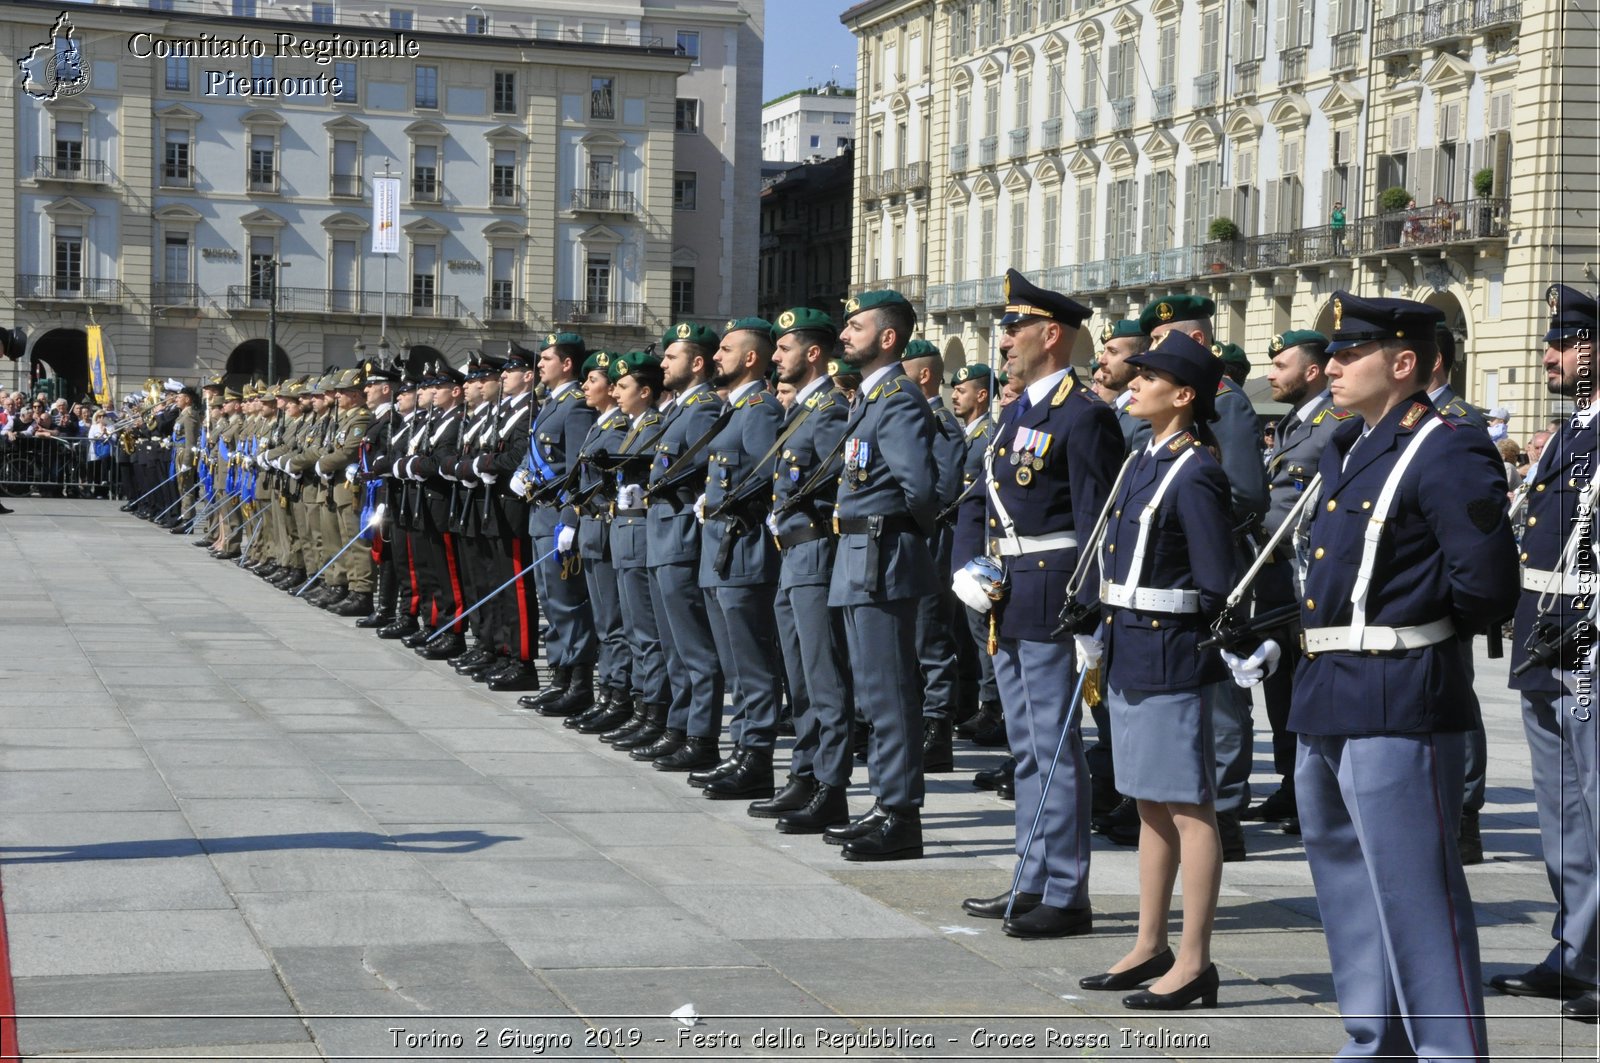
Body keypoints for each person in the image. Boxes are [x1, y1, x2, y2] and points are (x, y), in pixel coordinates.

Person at [1225, 291, 1518, 1061]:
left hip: (1400, 686)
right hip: (1328, 685)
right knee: (1346, 883)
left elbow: (1485, 583)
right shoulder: (1347, 444)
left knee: (1417, 891)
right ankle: (1373, 1039)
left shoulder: (1448, 444)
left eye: (1352, 353)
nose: (1335, 365)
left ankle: (1451, 1052)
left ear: (1404, 362)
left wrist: (1409, 630)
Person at [959, 269, 1123, 933]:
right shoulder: (1015, 413)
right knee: (1027, 746)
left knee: (1057, 748)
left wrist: (1091, 613)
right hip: (1007, 593)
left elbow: (1098, 524)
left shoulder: (1084, 417)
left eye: (1013, 326)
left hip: (1055, 597)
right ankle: (1029, 875)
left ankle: (1066, 889)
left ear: (1050, 335)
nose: (1004, 340)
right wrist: (964, 566)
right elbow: (979, 500)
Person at [1078, 328, 1236, 1010]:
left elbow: (1216, 577)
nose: (1132, 382)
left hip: (1171, 650)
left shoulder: (1196, 468)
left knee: (1189, 808)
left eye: (1148, 376)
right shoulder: (1143, 456)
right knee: (1147, 802)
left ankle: (1195, 957)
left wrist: (1233, 642)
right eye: (1132, 374)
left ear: (1185, 394)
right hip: (1129, 646)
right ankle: (1150, 941)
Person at [1496, 283, 1600, 1024]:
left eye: (1565, 343)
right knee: (1562, 814)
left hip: (1588, 648)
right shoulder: (1568, 433)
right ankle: (1577, 951)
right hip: (1544, 640)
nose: (1548, 355)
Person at [1139, 294, 1269, 862]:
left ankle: (1228, 807)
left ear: (1193, 343)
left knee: (1217, 701)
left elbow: (1244, 491)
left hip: (1208, 564)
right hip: (1163, 564)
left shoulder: (1225, 401)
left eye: (1162, 343)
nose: (1150, 355)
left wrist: (1195, 528)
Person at [823, 289, 940, 861]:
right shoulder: (868, 400)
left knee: (891, 693)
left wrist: (900, 535)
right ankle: (883, 804)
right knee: (872, 693)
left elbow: (922, 489)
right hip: (858, 556)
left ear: (887, 338)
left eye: (856, 326)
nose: (844, 336)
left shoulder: (897, 399)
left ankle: (901, 814)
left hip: (880, 555)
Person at [1246, 330, 1350, 837]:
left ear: (1311, 371)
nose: (1271, 374)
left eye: (1281, 365)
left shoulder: (1335, 425)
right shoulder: (1293, 424)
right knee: (1280, 686)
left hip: (1303, 574)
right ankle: (1291, 784)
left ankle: (1315, 789)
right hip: (1274, 577)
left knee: (1309, 687)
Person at [759, 308, 854, 832]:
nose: (776, 357)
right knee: (799, 677)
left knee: (823, 678)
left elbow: (840, 480)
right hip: (791, 554)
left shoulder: (829, 410)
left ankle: (831, 786)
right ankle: (804, 771)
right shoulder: (801, 411)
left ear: (812, 354)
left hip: (816, 553)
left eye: (784, 347)